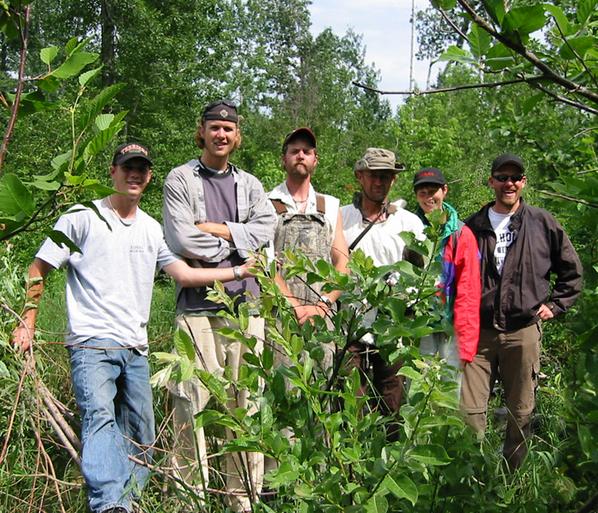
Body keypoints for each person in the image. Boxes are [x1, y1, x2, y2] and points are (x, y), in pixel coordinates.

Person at [11, 142, 255, 513]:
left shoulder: (152, 229)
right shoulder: (82, 217)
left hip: (136, 348)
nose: (134, 174)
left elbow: (185, 274)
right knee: (100, 418)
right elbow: (38, 268)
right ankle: (110, 503)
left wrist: (239, 271)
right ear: (112, 172)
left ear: (149, 177)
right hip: (91, 344)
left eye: (141, 168)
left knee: (142, 433)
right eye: (127, 167)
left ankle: (129, 501)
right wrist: (27, 321)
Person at [162, 100, 276, 511]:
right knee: (190, 405)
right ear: (202, 131)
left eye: (228, 128)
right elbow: (181, 239)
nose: (221, 134)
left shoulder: (250, 184)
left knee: (245, 407)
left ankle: (242, 500)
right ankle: (187, 500)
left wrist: (216, 229)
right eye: (214, 127)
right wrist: (238, 250)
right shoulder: (180, 179)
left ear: (237, 135)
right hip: (196, 310)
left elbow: (267, 228)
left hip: (247, 312)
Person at [463, 153, 582, 469]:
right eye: (501, 177)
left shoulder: (542, 223)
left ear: (523, 182)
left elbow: (571, 270)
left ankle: (511, 483)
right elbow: (454, 276)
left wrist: (556, 305)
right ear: (491, 182)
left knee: (521, 412)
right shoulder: (471, 227)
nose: (508, 183)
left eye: (515, 178)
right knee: (470, 413)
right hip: (479, 334)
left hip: (523, 330)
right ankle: (471, 483)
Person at [341, 148, 425, 423]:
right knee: (349, 407)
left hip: (392, 331)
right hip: (350, 327)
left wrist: (404, 307)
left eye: (386, 177)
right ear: (360, 176)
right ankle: (349, 465)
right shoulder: (340, 220)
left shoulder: (409, 223)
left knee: (392, 407)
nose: (379, 182)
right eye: (373, 176)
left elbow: (419, 274)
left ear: (394, 180)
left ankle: (388, 463)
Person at [269, 127, 349, 328]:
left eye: (307, 151)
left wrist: (323, 304)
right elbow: (264, 262)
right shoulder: (265, 203)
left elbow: (343, 261)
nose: (300, 155)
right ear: (283, 159)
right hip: (280, 314)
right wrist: (294, 305)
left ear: (315, 159)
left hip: (323, 316)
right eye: (294, 151)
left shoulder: (330, 205)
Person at [412, 167, 480, 387]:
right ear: (416, 196)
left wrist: (466, 346)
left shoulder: (461, 234)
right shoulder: (409, 229)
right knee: (417, 392)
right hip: (418, 326)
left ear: (445, 191)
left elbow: (469, 291)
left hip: (451, 328)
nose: (428, 197)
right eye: (422, 193)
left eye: (433, 191)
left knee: (448, 396)